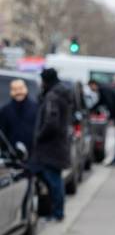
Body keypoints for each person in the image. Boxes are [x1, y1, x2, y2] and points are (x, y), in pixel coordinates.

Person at [31, 68, 72, 222]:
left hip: (50, 146)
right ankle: (56, 212)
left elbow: (51, 122)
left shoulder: (52, 97)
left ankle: (57, 213)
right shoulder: (59, 94)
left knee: (53, 179)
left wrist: (39, 136)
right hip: (57, 145)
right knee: (53, 179)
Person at [0, 79, 38, 155]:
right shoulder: (5, 110)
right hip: (12, 156)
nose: (18, 92)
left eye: (20, 88)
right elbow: (3, 134)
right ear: (11, 91)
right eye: (15, 89)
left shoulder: (36, 108)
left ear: (25, 89)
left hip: (33, 156)